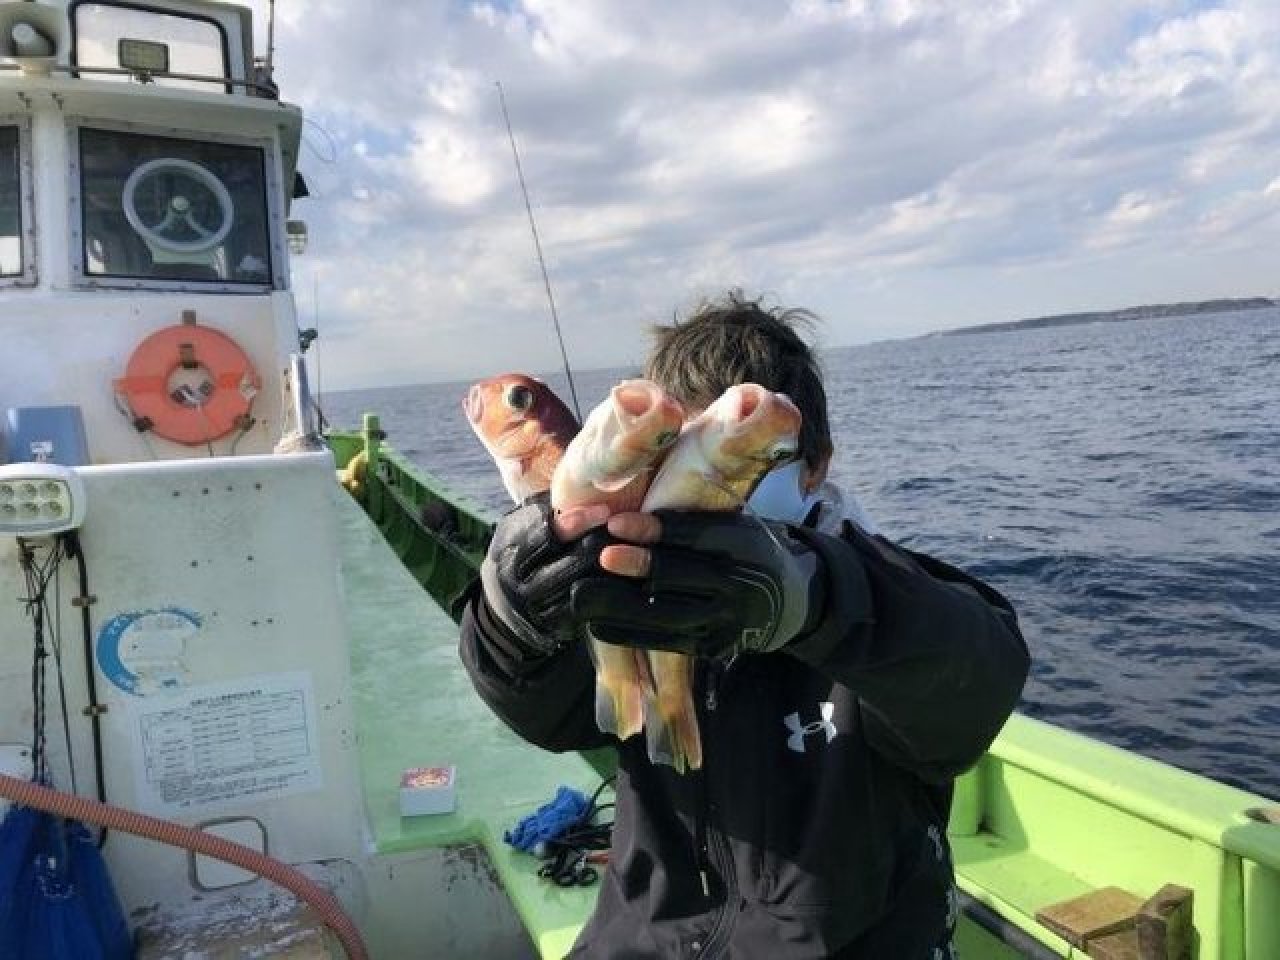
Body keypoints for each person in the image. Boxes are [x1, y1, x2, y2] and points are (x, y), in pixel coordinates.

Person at [459, 291, 1030, 959]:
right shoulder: (627, 584)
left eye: (755, 453)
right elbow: (549, 716)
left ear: (816, 467)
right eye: (683, 454)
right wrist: (512, 615)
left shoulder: (884, 591)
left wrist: (813, 598)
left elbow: (975, 680)